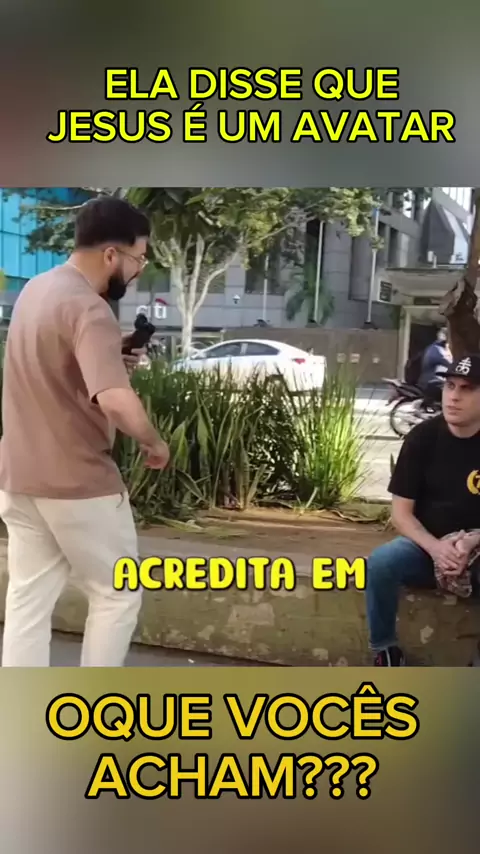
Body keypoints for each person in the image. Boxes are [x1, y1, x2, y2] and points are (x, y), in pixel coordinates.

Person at [0, 195, 170, 667]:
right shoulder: (91, 310)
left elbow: (54, 367)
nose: (137, 271)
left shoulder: (36, 290)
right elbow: (114, 398)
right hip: (77, 482)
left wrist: (110, 355)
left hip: (19, 476)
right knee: (118, 594)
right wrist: (153, 441)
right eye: (138, 258)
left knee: (28, 599)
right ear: (111, 254)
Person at [365, 353, 480, 665]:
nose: (454, 397)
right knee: (382, 562)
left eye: (467, 388)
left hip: (476, 546)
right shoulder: (423, 438)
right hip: (426, 546)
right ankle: (385, 650)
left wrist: (472, 541)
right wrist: (436, 549)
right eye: (450, 386)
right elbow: (401, 514)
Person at [417, 326, 452, 402]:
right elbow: (436, 359)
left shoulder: (444, 349)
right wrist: (450, 365)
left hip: (439, 380)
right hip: (431, 381)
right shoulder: (434, 348)